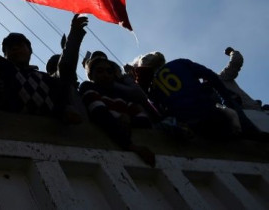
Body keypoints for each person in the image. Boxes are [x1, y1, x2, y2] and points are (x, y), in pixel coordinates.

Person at [0, 0, 87, 122]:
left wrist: (75, 34)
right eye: (10, 47)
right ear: (5, 54)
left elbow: (66, 67)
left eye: (20, 45)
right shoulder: (3, 68)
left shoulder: (46, 79)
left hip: (50, 133)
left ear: (30, 51)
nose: (15, 49)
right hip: (12, 128)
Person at [136, 51, 265, 141]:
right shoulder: (180, 63)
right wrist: (227, 99)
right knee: (221, 100)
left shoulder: (153, 87)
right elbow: (211, 76)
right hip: (208, 111)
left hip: (191, 123)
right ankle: (251, 132)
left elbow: (158, 109)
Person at [79, 55, 155, 166]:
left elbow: (144, 120)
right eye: (100, 71)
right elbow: (100, 114)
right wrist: (130, 146)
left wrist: (129, 121)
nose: (105, 75)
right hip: (102, 151)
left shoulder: (121, 96)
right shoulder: (88, 87)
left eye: (109, 71)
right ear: (90, 75)